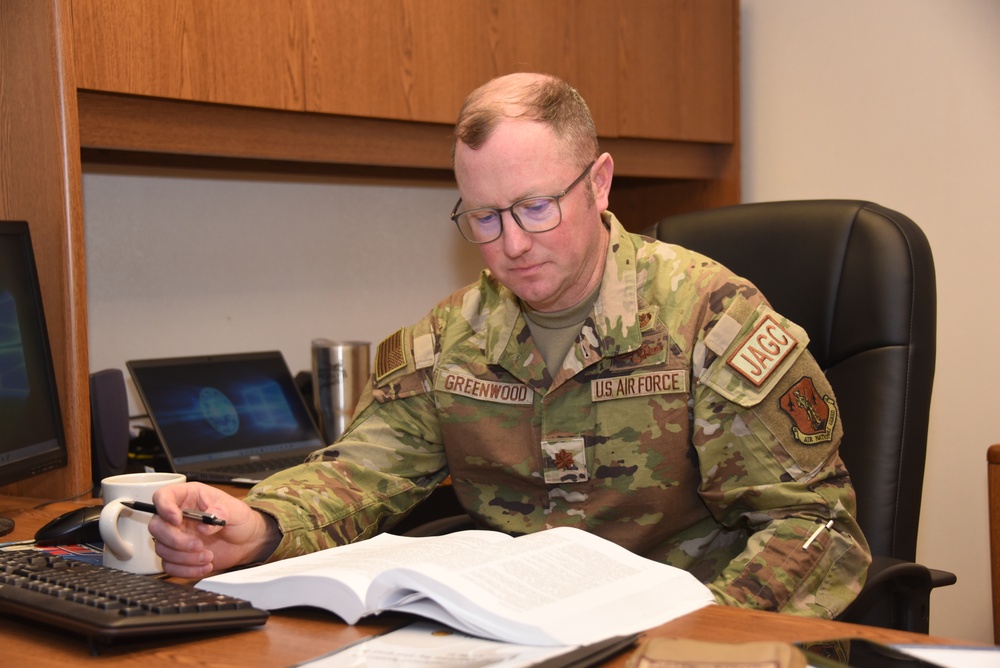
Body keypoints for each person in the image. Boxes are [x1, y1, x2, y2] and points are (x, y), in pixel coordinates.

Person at [148, 72, 871, 618]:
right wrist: (261, 522)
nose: (513, 244)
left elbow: (815, 528)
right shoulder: (449, 341)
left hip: (690, 632)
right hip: (522, 635)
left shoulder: (711, 321)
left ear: (600, 183)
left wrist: (700, 640)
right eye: (486, 217)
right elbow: (358, 473)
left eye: (535, 207)